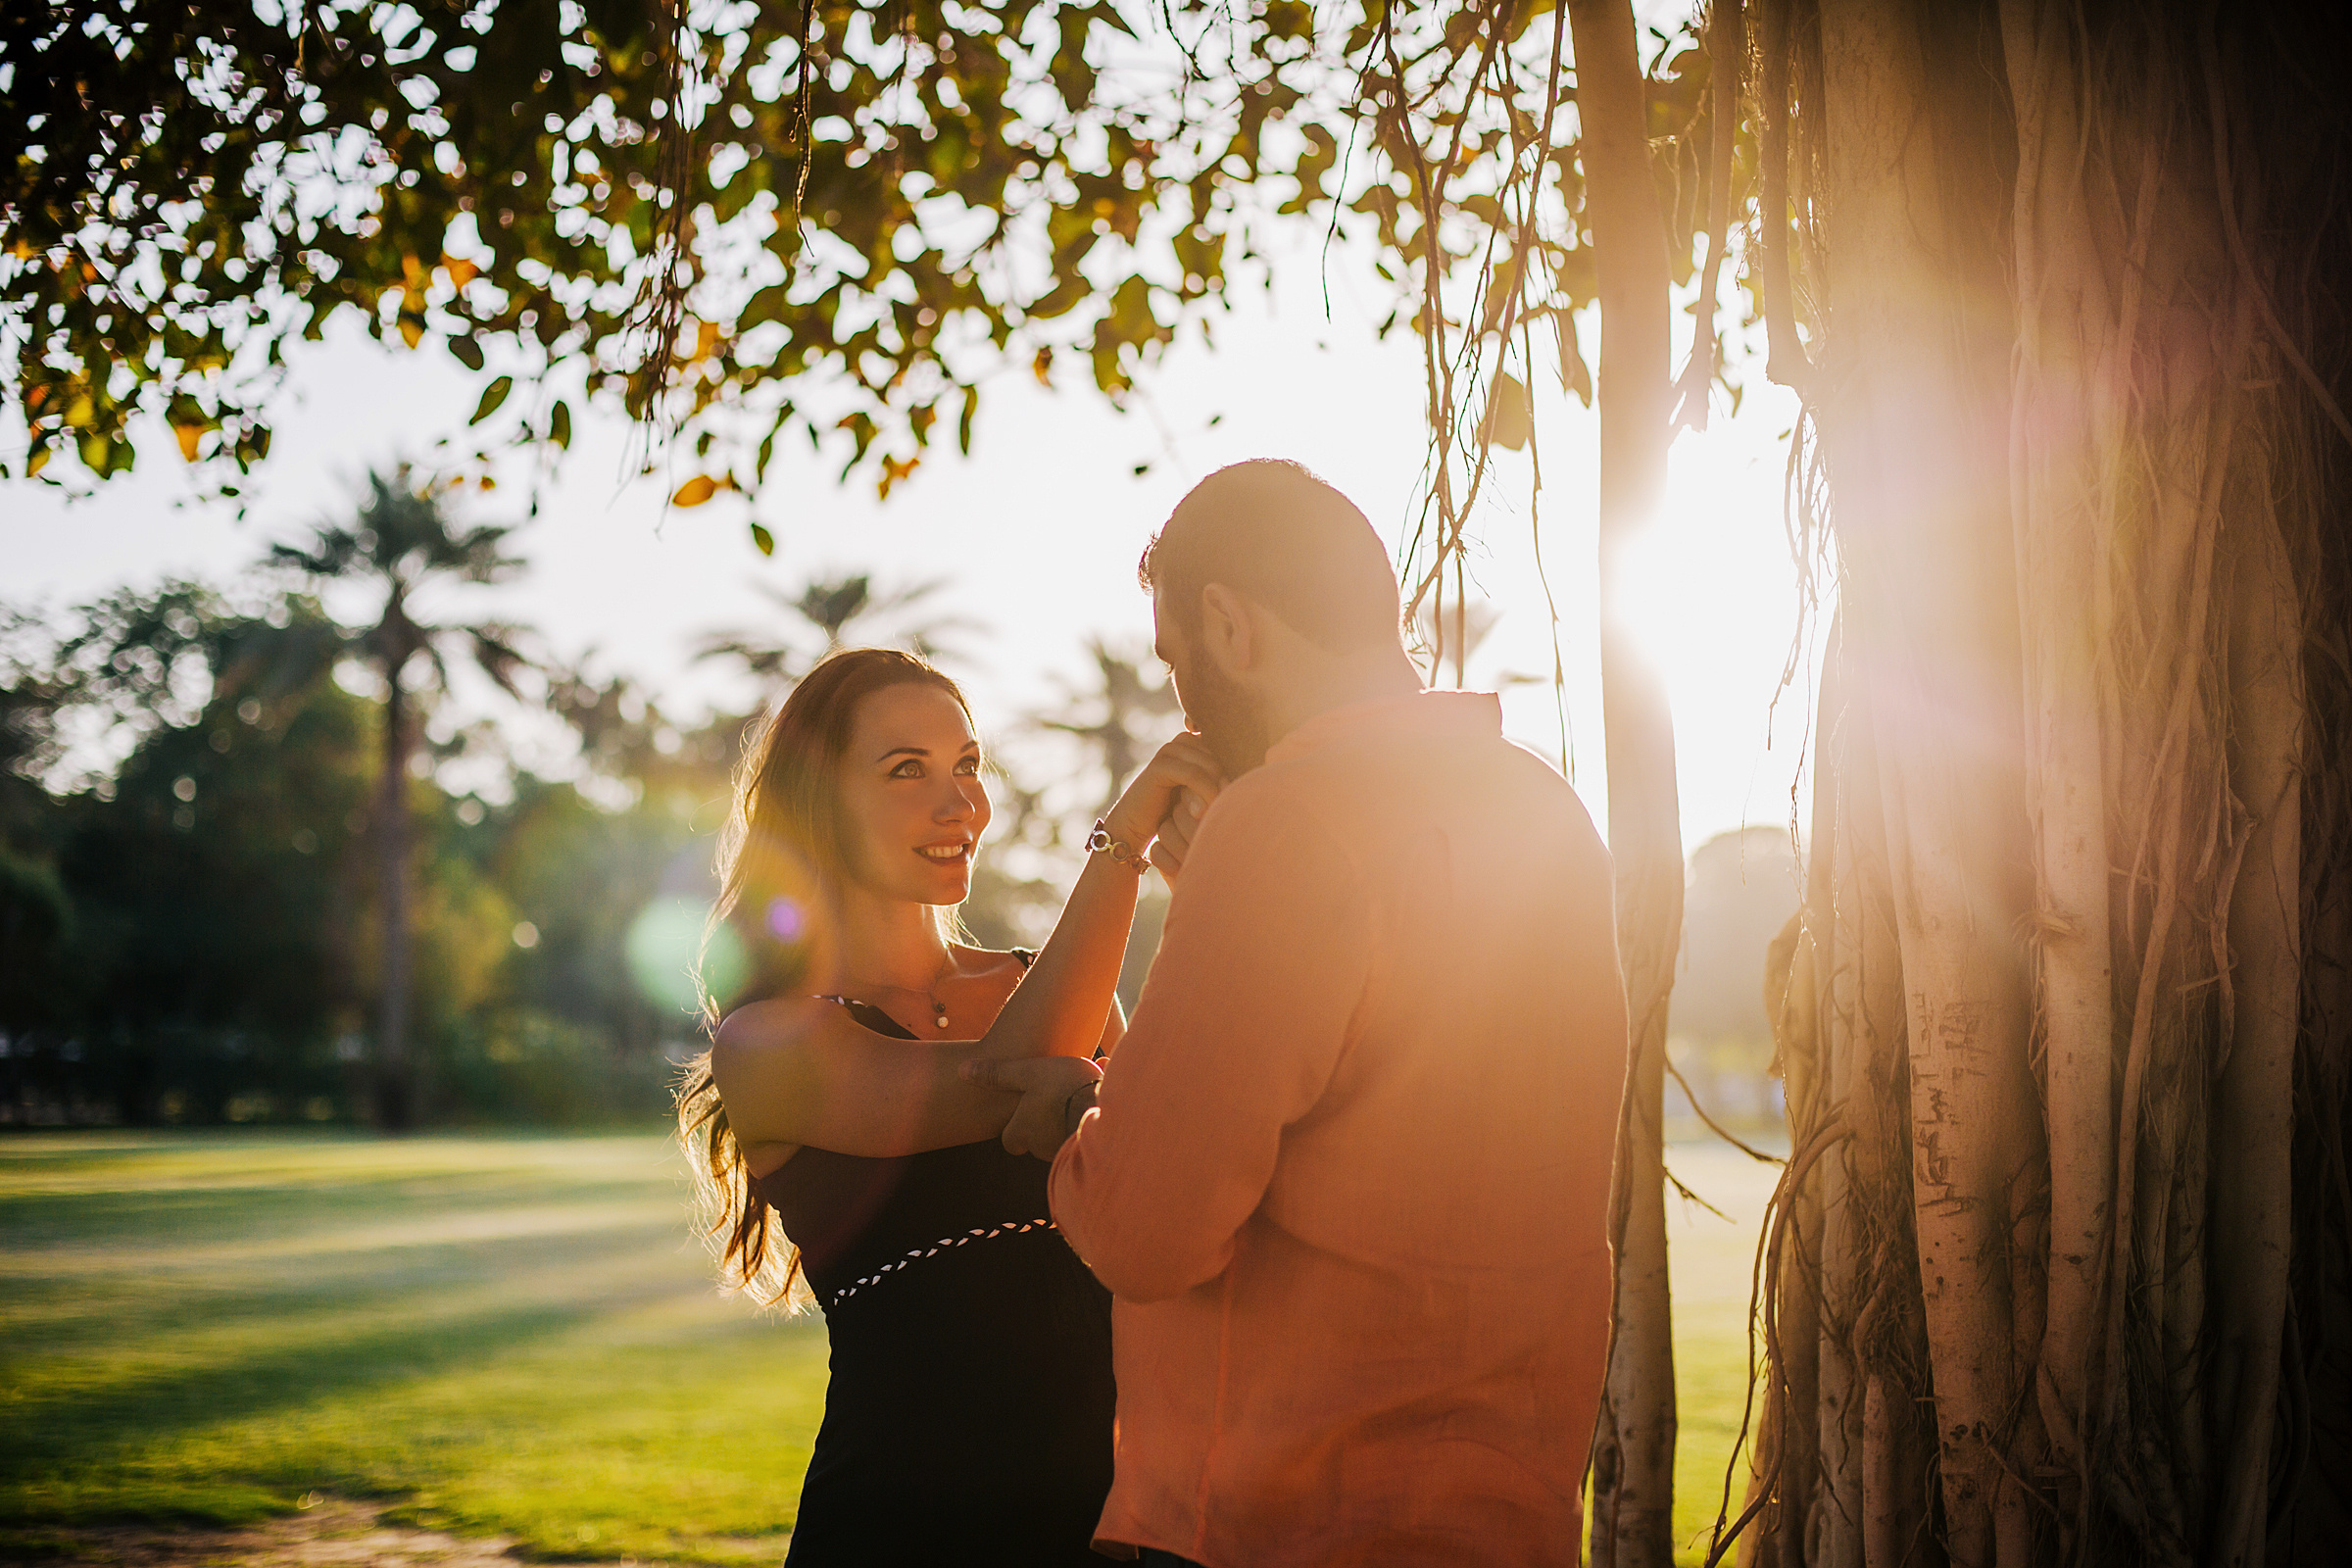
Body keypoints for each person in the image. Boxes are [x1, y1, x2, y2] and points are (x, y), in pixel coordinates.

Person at [971, 460, 1630, 1567]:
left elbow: (1146, 1230)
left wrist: (1077, 1116)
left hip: (1274, 1520)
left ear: (1229, 627)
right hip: (1504, 1511)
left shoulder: (1286, 820)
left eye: (1177, 660)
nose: (1185, 700)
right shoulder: (1545, 809)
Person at [674, 647, 1220, 1566]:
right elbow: (995, 1081)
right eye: (905, 772)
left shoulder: (1054, 994)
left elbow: (1175, 1183)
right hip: (904, 1522)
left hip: (1113, 1523)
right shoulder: (769, 1043)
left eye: (967, 765)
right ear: (819, 800)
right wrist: (1119, 846)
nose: (960, 803)